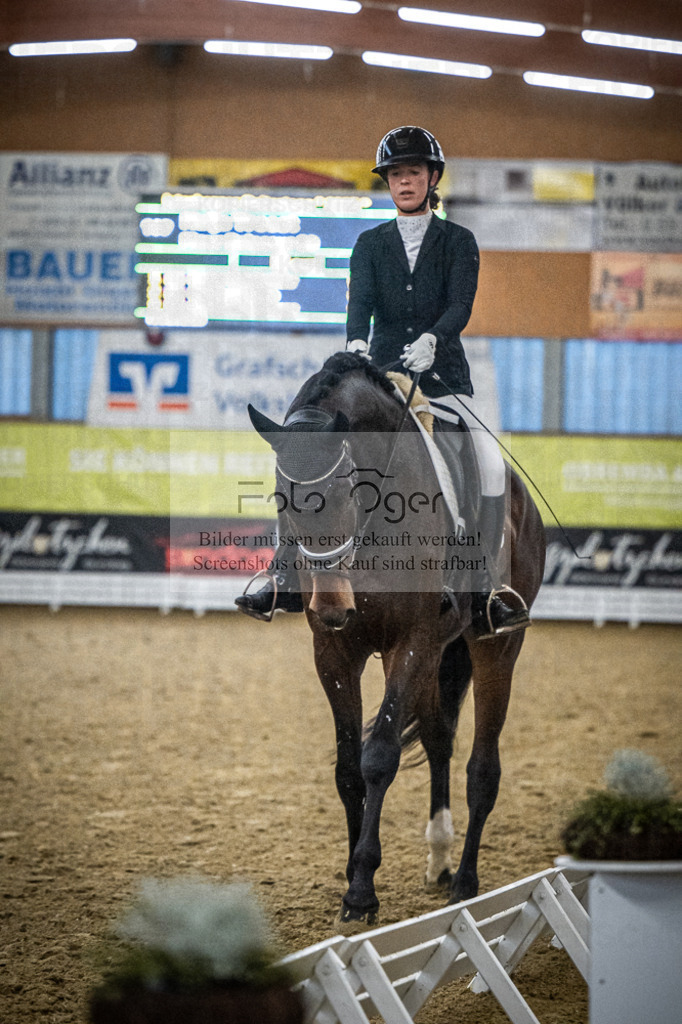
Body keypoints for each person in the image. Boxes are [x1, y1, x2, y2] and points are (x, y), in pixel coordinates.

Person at [237, 125, 530, 638]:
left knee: (487, 461)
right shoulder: (370, 244)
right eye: (396, 175)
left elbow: (460, 305)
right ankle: (282, 573)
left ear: (432, 178)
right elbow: (361, 305)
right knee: (308, 461)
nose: (404, 182)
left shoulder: (459, 242)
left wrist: (435, 338)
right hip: (382, 378)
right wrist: (356, 342)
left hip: (442, 379)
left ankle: (484, 587)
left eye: (414, 172)